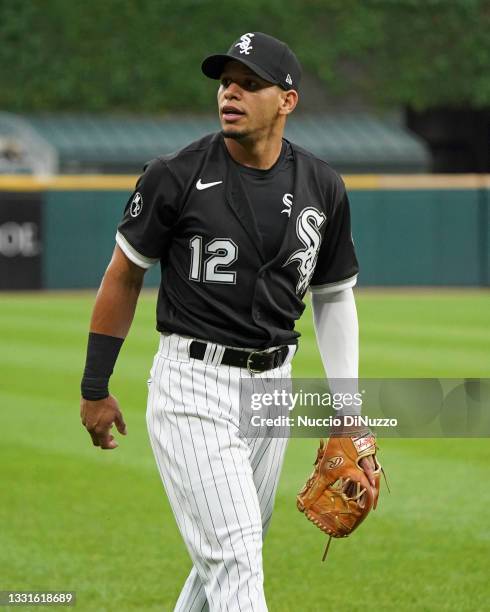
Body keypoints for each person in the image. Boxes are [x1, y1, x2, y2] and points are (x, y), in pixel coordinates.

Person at [80, 31, 376, 612]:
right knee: (236, 558)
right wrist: (95, 385)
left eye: (249, 84)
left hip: (273, 389)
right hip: (194, 384)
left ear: (287, 101)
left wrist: (347, 405)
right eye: (225, 83)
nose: (230, 94)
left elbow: (334, 297)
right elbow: (123, 274)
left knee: (227, 559)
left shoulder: (322, 184)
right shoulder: (175, 174)